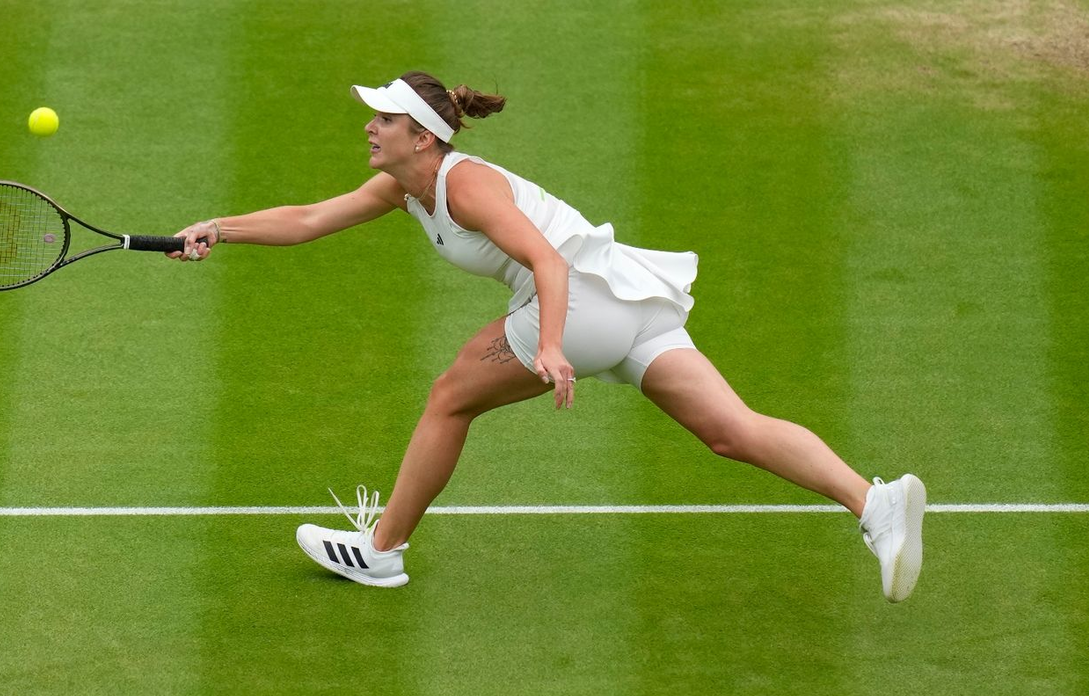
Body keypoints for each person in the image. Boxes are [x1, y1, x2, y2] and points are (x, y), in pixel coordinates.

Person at [174, 71, 925, 602]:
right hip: (627, 300)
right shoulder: (404, 186)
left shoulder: (465, 186)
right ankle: (876, 504)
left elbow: (543, 260)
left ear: (423, 136)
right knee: (730, 429)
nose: (369, 126)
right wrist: (218, 229)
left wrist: (555, 346)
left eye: (384, 119)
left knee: (449, 397)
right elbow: (308, 219)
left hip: (576, 300)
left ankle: (381, 553)